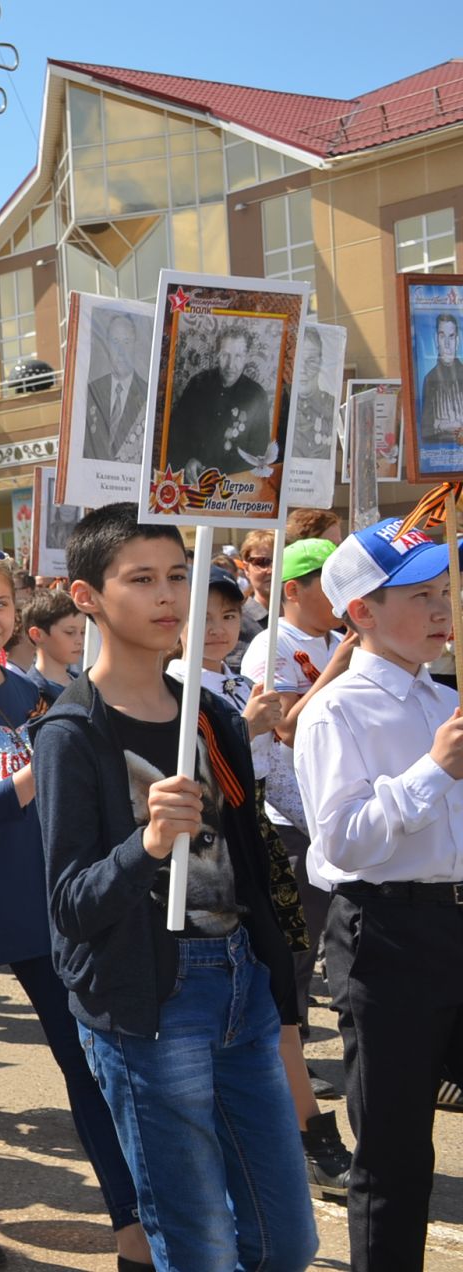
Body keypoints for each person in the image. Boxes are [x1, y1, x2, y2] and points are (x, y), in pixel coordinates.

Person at [31, 503, 314, 1271]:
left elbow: (252, 860)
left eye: (178, 577)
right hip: (149, 1001)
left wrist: (276, 976)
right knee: (200, 1247)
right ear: (86, 596)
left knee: (286, 1240)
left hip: (239, 987)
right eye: (142, 579)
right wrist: (149, 844)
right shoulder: (71, 732)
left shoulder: (211, 717)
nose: (167, 596)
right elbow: (69, 904)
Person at [0, 548, 148, 1267]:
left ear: (18, 612)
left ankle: (131, 1229)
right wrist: (41, 762)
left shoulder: (33, 689)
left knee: (85, 1063)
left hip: (42, 902)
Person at [294, 517, 463, 1270]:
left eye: (445, 592)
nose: (441, 611)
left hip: (455, 921)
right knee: (395, 1152)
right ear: (360, 612)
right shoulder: (338, 709)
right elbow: (344, 843)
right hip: (388, 934)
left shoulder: (440, 696)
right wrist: (433, 771)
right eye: (421, 595)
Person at [169, 570, 354, 1198]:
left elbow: (278, 756)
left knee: (278, 994)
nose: (219, 628)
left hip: (264, 844)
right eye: (206, 616)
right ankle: (299, 1133)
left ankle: (299, 1131)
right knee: (253, 1001)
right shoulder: (176, 687)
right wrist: (245, 729)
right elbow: (191, 782)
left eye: (227, 615)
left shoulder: (240, 680)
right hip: (209, 866)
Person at [242, 538, 342, 1019]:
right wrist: (335, 672)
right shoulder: (272, 642)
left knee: (331, 942)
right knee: (294, 946)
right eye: (330, 584)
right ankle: (289, 1056)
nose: (343, 595)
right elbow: (282, 727)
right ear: (293, 590)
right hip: (287, 816)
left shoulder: (339, 641)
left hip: (335, 810)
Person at [166, 323, 275, 480]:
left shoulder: (257, 395)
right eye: (225, 355)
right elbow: (175, 434)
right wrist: (186, 461)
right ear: (216, 354)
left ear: (247, 357)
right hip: (192, 479)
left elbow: (257, 454)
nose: (231, 365)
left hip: (232, 486)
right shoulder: (197, 384)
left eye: (238, 356)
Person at [84, 311, 147, 464]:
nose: (121, 351)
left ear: (135, 346)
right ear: (107, 346)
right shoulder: (91, 392)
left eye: (126, 342)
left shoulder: (148, 394)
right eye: (115, 342)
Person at [21, 587, 83, 700]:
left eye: (82, 632)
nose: (79, 640)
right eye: (70, 632)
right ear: (37, 635)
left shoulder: (87, 688)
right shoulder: (26, 693)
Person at [288, 327, 338, 461]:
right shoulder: (282, 406)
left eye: (311, 361)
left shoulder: (332, 405)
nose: (303, 369)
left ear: (321, 362)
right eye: (298, 361)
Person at [418, 311, 463, 442]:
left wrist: (440, 425)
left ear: (457, 341)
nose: (447, 344)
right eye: (442, 336)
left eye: (452, 336)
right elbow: (425, 432)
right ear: (436, 340)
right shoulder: (429, 379)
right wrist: (442, 426)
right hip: (438, 451)